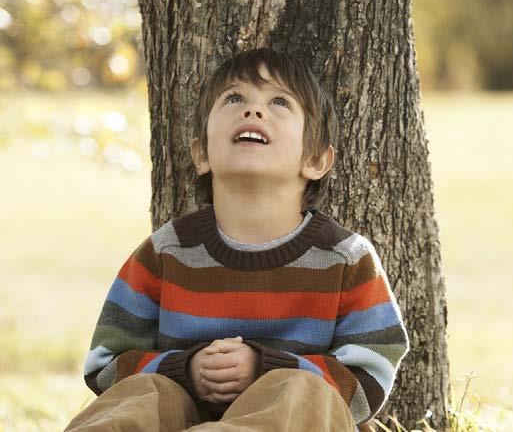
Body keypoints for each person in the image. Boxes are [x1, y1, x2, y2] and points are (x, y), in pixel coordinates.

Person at [65, 47, 410, 431]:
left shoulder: (345, 258)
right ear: (201, 154)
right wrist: (185, 370)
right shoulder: (167, 252)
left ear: (315, 160)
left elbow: (369, 381)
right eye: (234, 98)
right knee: (144, 394)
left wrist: (264, 368)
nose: (253, 110)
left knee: (303, 390)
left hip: (292, 419)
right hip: (180, 416)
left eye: (280, 101)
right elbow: (105, 363)